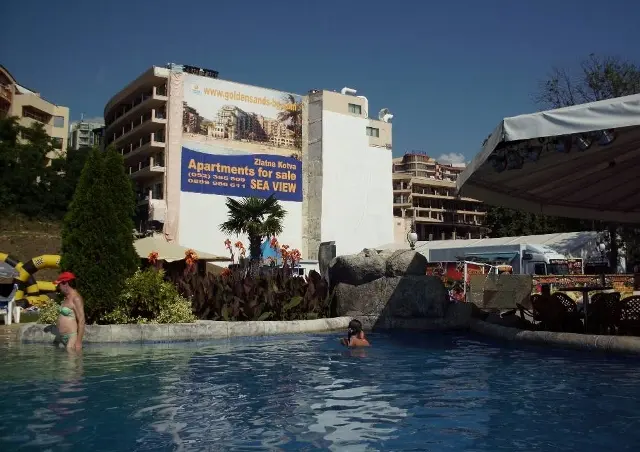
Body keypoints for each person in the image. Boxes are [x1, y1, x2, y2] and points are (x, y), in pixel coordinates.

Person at [55, 272, 85, 352]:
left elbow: (82, 321)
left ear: (65, 283)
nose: (58, 287)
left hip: (72, 337)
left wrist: (78, 342)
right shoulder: (67, 297)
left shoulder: (76, 299)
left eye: (59, 284)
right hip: (63, 337)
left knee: (72, 359)